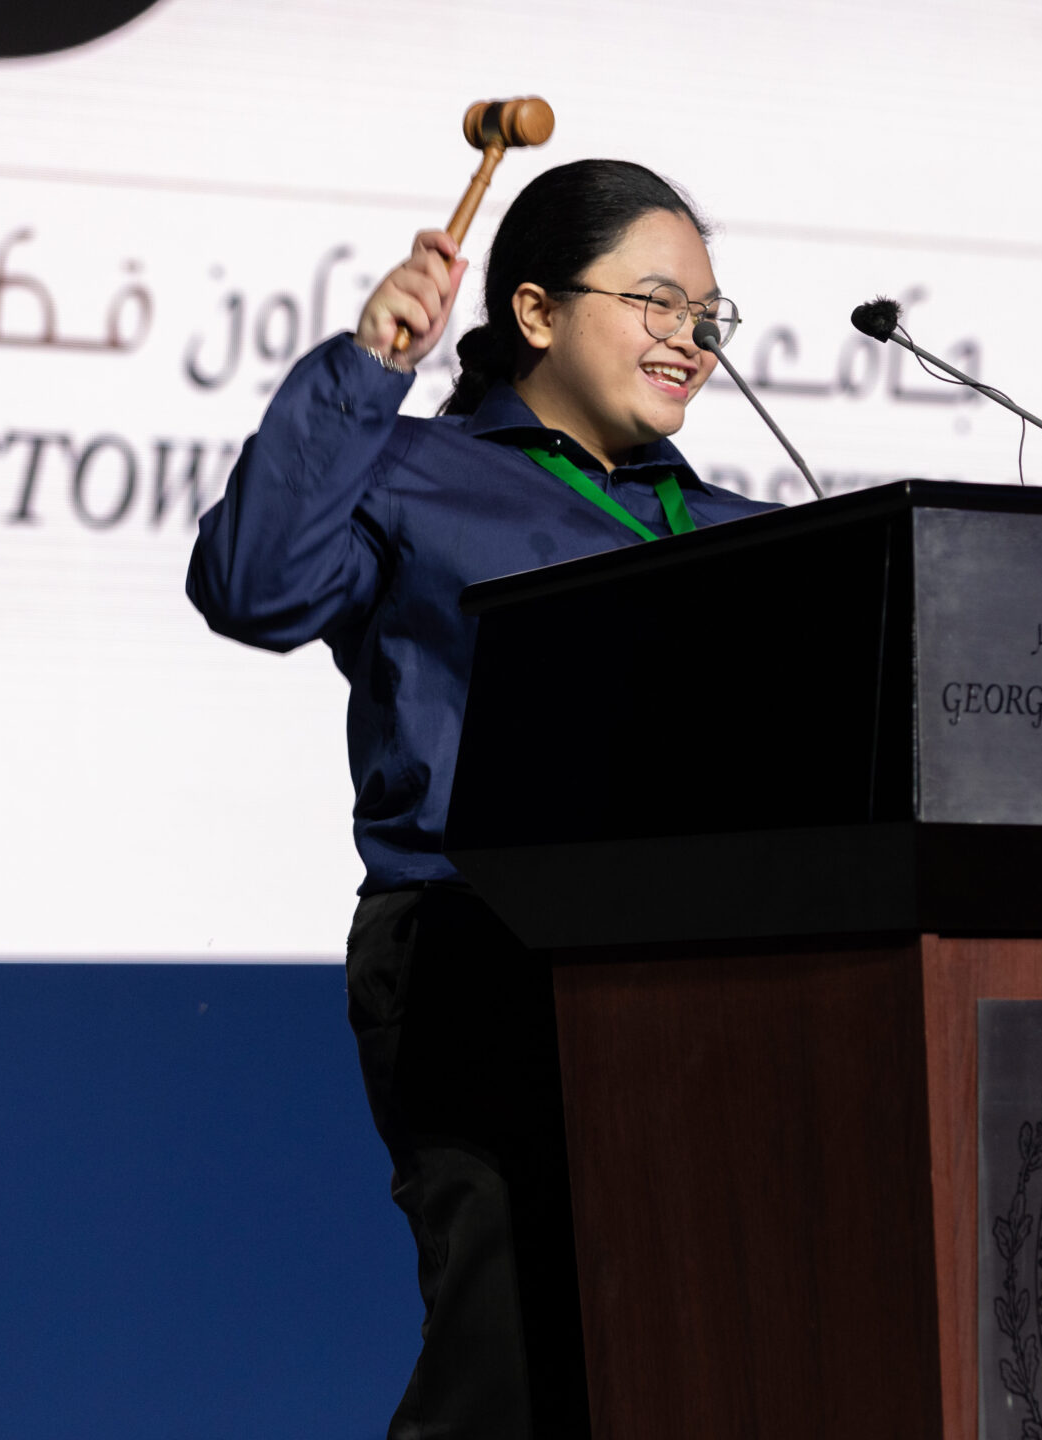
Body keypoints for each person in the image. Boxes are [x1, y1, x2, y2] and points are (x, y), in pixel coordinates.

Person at [186, 160, 775, 1440]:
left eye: (709, 320)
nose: (691, 343)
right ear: (535, 311)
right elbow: (253, 586)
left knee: (695, 1350)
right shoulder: (410, 471)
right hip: (477, 959)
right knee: (511, 1364)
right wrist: (362, 367)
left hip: (705, 974)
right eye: (658, 304)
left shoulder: (740, 530)